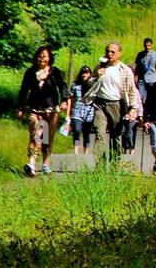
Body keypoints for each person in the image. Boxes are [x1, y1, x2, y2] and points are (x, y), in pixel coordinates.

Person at [16, 46, 68, 177]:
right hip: (35, 109)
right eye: (39, 56)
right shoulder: (30, 72)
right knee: (36, 135)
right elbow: (23, 90)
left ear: (49, 58)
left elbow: (62, 86)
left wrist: (64, 100)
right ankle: (31, 164)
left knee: (47, 139)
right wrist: (20, 108)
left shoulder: (54, 72)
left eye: (44, 56)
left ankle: (45, 164)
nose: (42, 59)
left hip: (51, 110)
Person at [86, 42, 139, 165]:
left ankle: (115, 162)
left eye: (113, 52)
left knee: (115, 135)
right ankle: (100, 164)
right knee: (100, 134)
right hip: (100, 104)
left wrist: (133, 108)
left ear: (119, 54)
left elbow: (131, 91)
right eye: (108, 51)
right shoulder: (100, 67)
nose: (109, 54)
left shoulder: (125, 70)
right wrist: (96, 76)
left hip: (116, 105)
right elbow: (90, 84)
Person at [130, 37, 156, 150]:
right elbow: (137, 68)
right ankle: (141, 118)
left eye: (149, 45)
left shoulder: (155, 55)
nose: (147, 47)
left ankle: (151, 117)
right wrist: (134, 79)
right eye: (145, 45)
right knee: (142, 99)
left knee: (152, 100)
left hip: (152, 79)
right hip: (142, 80)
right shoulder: (140, 55)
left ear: (152, 45)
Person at [67, 65, 96, 154]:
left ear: (90, 74)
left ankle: (85, 153)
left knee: (87, 132)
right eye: (83, 73)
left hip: (89, 112)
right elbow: (70, 99)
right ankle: (76, 151)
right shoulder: (75, 85)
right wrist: (68, 114)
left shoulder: (93, 85)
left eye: (87, 73)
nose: (84, 75)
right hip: (77, 111)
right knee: (77, 130)